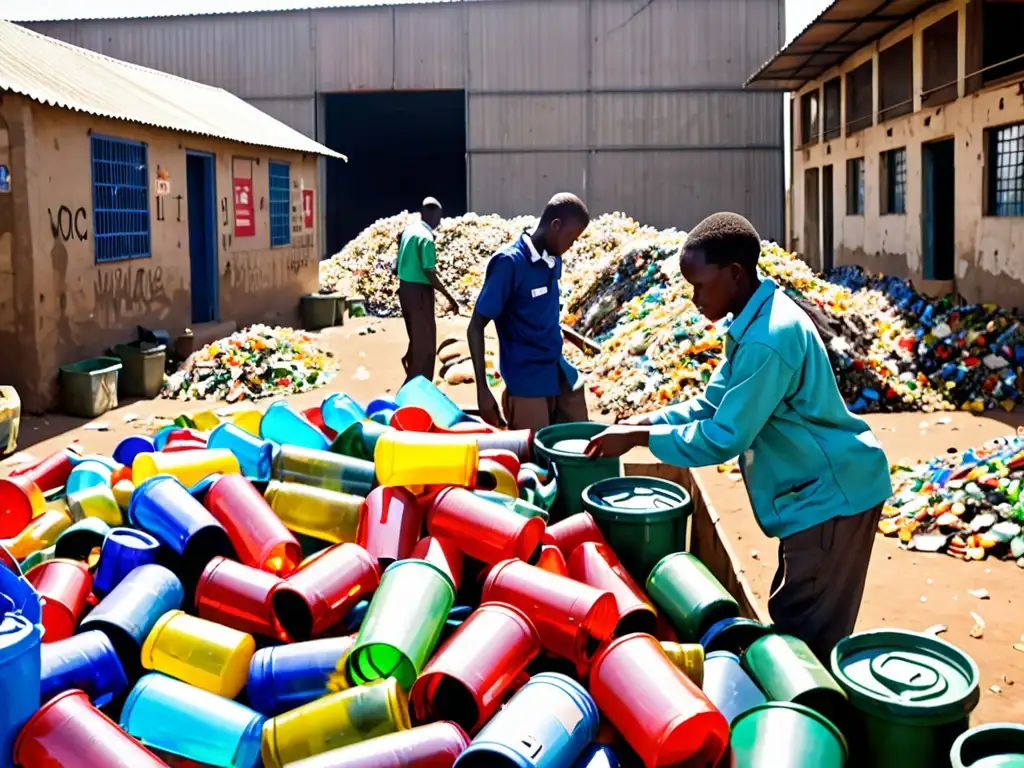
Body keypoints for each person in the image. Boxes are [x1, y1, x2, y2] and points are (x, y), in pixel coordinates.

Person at [584, 212, 892, 662]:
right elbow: (711, 405)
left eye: (700, 285)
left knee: (805, 644)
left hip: (832, 497)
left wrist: (640, 440)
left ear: (734, 273)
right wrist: (644, 422)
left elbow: (723, 435)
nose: (693, 299)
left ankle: (814, 725)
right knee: (796, 614)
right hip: (813, 496)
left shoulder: (768, 339)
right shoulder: (752, 324)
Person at [468, 193, 593, 431]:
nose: (572, 245)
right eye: (571, 237)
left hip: (557, 370)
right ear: (555, 226)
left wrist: (572, 337)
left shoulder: (553, 260)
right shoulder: (509, 264)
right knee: (535, 459)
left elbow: (542, 310)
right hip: (526, 381)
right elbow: (475, 327)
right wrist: (482, 391)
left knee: (580, 442)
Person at [396, 197, 459, 384]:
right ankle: (419, 384)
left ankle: (410, 363)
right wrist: (450, 297)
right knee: (426, 346)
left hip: (405, 289)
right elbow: (429, 272)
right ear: (432, 214)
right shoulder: (426, 238)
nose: (439, 222)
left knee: (416, 336)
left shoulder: (409, 231)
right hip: (420, 293)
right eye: (439, 216)